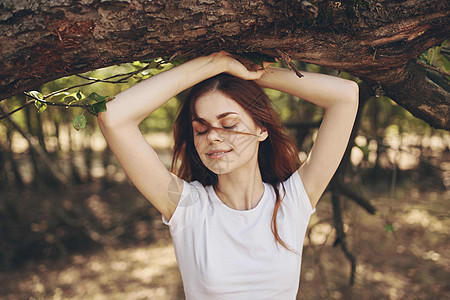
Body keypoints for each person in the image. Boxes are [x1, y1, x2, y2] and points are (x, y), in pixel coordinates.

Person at [98, 51, 358, 299]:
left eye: (229, 124)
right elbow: (114, 117)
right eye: (201, 129)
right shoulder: (186, 206)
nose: (212, 136)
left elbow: (346, 95)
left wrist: (250, 72)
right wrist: (214, 65)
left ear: (261, 129)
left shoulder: (293, 202)